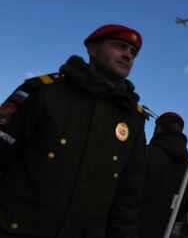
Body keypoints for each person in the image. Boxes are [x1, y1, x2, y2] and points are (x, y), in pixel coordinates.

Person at [0, 24, 147, 238]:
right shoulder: (43, 92)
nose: (128, 55)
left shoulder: (132, 119)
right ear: (92, 49)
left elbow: (127, 200)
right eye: (119, 46)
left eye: (133, 53)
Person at [139, 112, 188, 238]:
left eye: (154, 129)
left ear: (158, 129)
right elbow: (183, 211)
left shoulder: (144, 153)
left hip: (130, 227)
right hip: (163, 231)